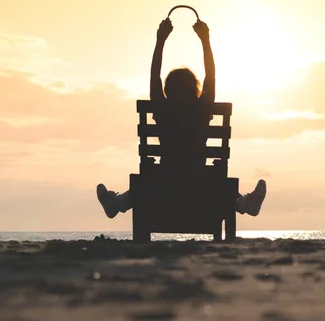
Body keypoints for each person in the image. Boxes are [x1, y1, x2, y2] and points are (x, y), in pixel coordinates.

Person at [96, 18, 267, 219]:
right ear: (195, 89)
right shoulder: (203, 107)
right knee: (217, 178)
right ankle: (247, 204)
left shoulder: (161, 107)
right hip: (200, 181)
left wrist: (160, 40)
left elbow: (154, 76)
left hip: (163, 180)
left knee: (147, 178)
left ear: (167, 90)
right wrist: (205, 40)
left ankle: (116, 204)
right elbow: (211, 76)